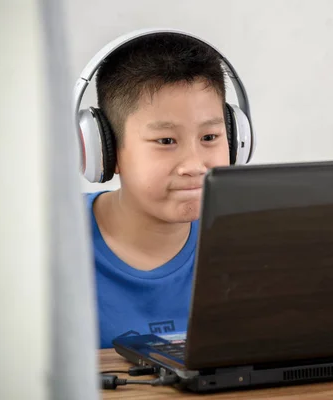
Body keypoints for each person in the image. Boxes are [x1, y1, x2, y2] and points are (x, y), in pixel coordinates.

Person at [79, 31, 248, 348]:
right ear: (107, 151)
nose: (194, 165)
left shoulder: (247, 243)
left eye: (210, 137)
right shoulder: (45, 246)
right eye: (166, 141)